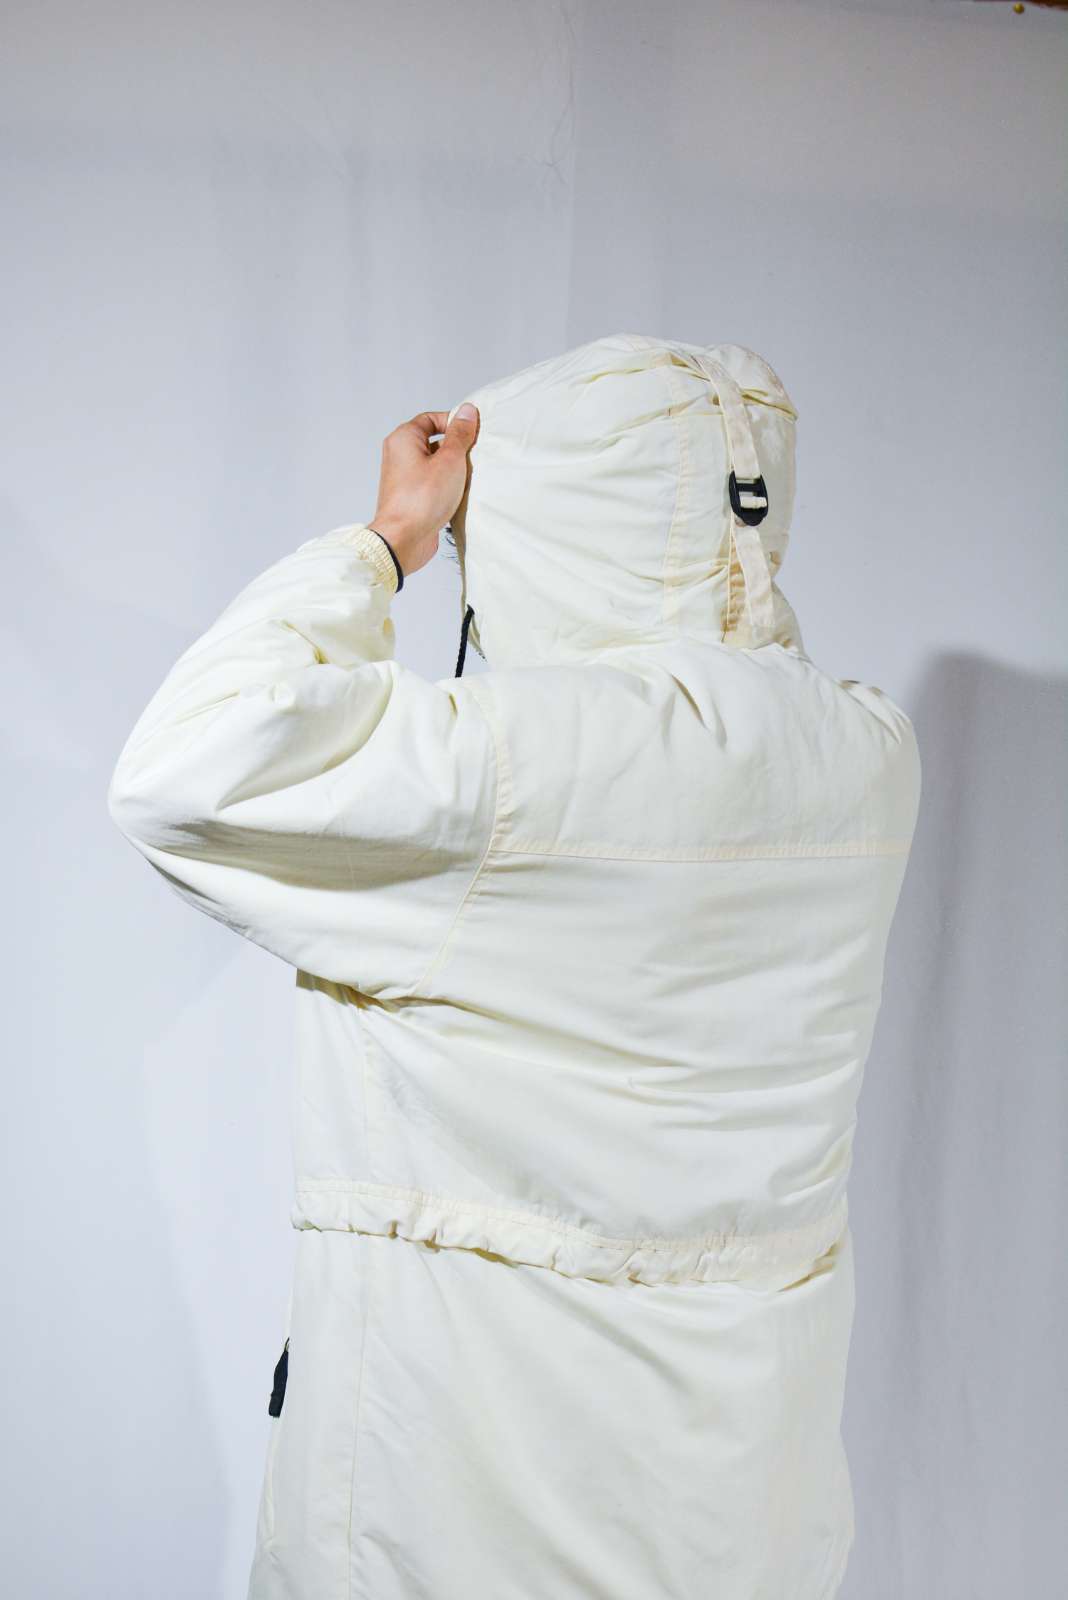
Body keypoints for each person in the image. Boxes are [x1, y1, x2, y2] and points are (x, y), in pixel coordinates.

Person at [107, 331, 921, 1600]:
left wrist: (388, 541)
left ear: (537, 527)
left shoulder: (511, 772)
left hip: (465, 1515)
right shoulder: (867, 752)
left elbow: (181, 767)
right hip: (740, 1517)